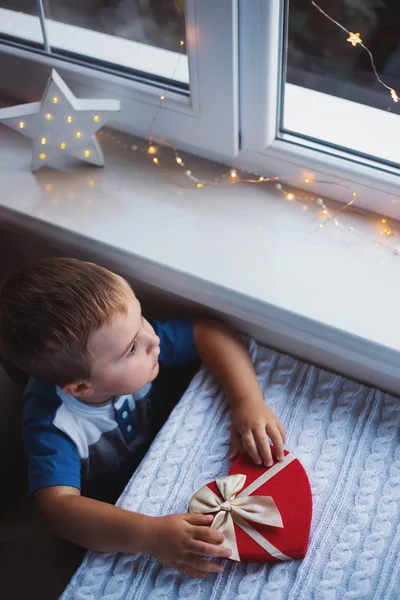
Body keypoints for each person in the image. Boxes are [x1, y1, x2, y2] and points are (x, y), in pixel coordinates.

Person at [0, 257, 285, 579]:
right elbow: (58, 509)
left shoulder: (124, 340)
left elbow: (206, 332)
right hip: (121, 508)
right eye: (132, 348)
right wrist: (150, 535)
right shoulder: (53, 424)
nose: (154, 339)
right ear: (81, 387)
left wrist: (247, 400)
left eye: (142, 318)